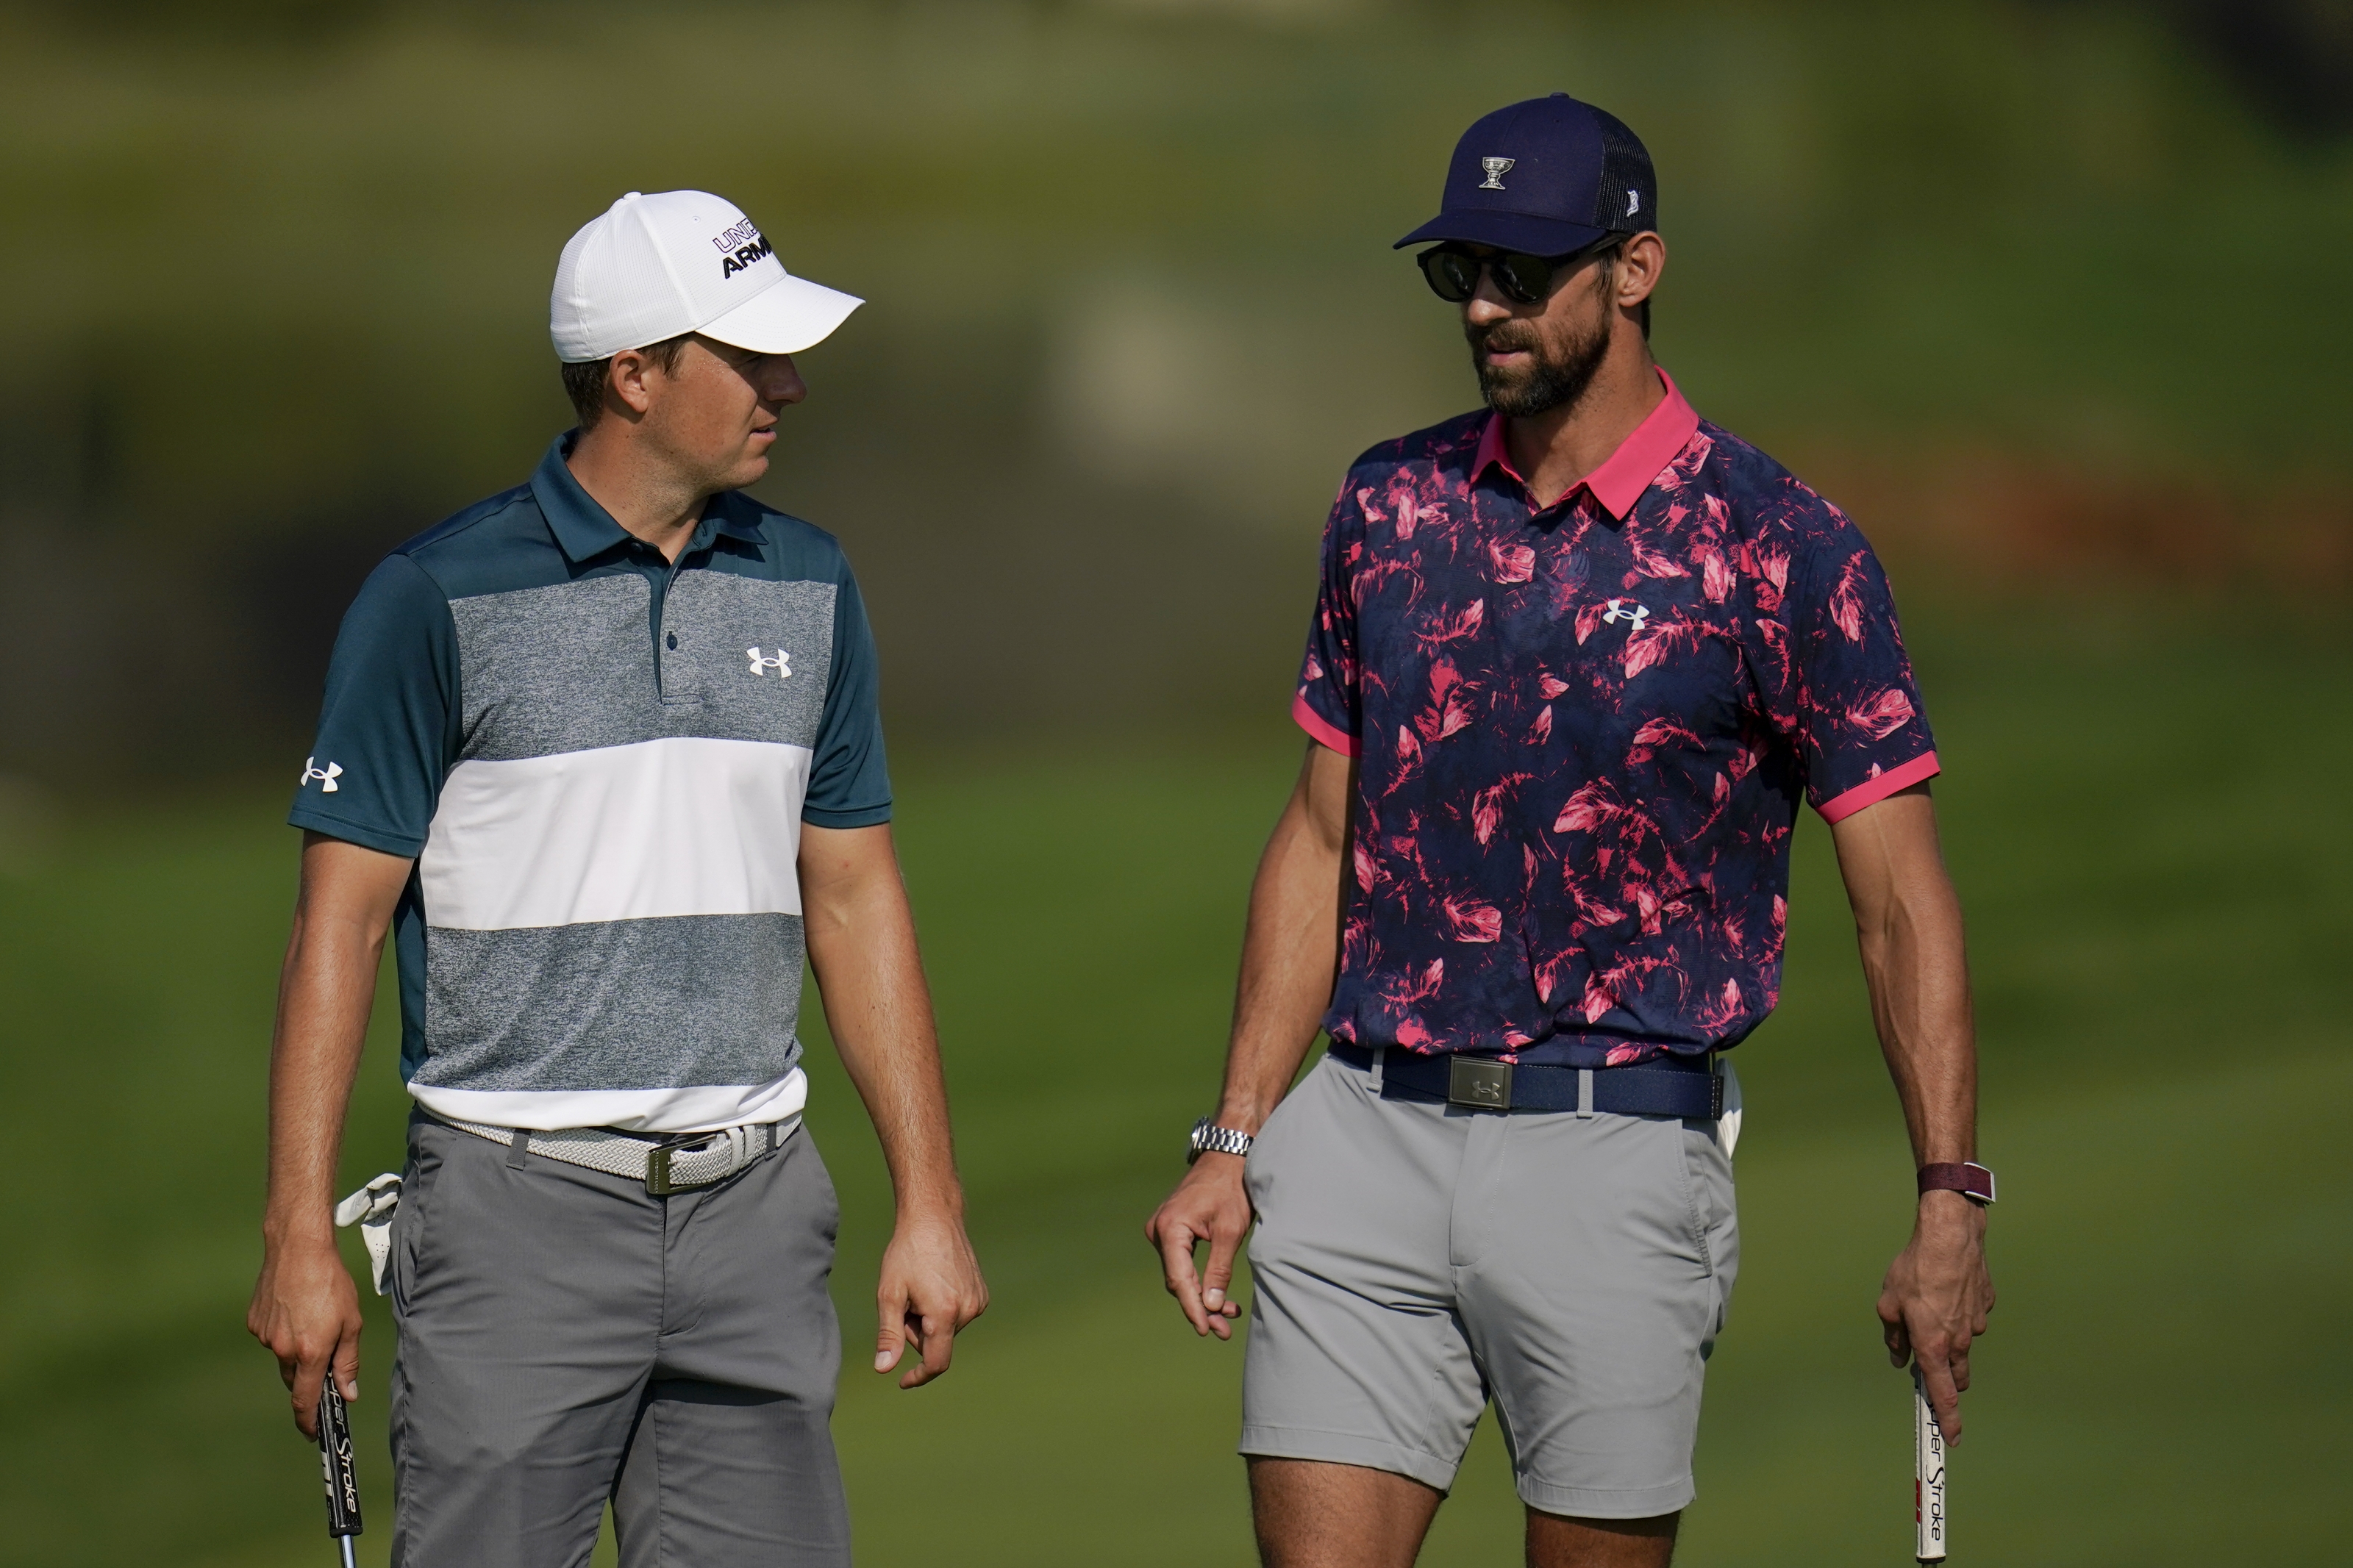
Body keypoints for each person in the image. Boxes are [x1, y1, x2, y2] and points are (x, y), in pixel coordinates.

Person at [1146, 95, 1995, 1568]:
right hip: (1364, 1135)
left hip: (1617, 1151)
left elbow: (1900, 904)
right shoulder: (1388, 506)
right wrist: (1235, 1132)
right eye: (1458, 270)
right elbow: (1320, 834)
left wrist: (1949, 1197)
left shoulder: (1781, 547)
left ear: (1636, 268)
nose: (1483, 304)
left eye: (1521, 271)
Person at [246, 189, 988, 1567]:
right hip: (512, 1219)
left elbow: (855, 897)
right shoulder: (433, 596)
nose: (788, 385)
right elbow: (336, 927)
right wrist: (298, 1232)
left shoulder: (811, 581)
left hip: (755, 1217)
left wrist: (930, 1203)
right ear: (634, 375)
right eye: (748, 357)